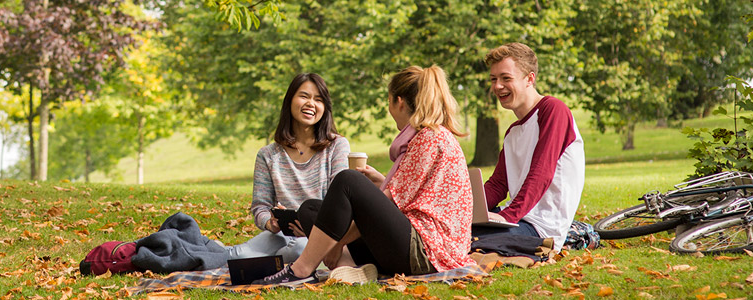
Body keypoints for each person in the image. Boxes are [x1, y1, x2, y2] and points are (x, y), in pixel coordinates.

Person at [254, 65, 477, 285]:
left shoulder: (428, 138)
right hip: (412, 247)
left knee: (349, 180)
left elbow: (391, 203)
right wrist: (380, 183)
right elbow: (411, 196)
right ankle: (351, 268)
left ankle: (302, 268)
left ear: (398, 102)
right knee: (311, 209)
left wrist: (338, 242)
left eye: (388, 101)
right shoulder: (428, 137)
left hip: (426, 253)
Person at [227, 73, 350, 262]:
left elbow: (340, 204)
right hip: (281, 234)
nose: (311, 103)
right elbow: (260, 206)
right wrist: (270, 223)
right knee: (238, 257)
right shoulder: (268, 155)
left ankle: (268, 263)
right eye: (304, 96)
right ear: (290, 100)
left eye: (318, 100)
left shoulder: (336, 146)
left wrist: (313, 227)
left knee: (297, 250)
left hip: (320, 236)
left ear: (325, 108)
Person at [477, 42, 586, 251]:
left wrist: (506, 217)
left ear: (530, 78)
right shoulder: (513, 132)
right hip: (517, 220)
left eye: (506, 78)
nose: (497, 86)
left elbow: (541, 173)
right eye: (493, 79)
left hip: (541, 229)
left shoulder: (553, 110)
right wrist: (467, 206)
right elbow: (498, 185)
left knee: (466, 242)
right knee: (454, 230)